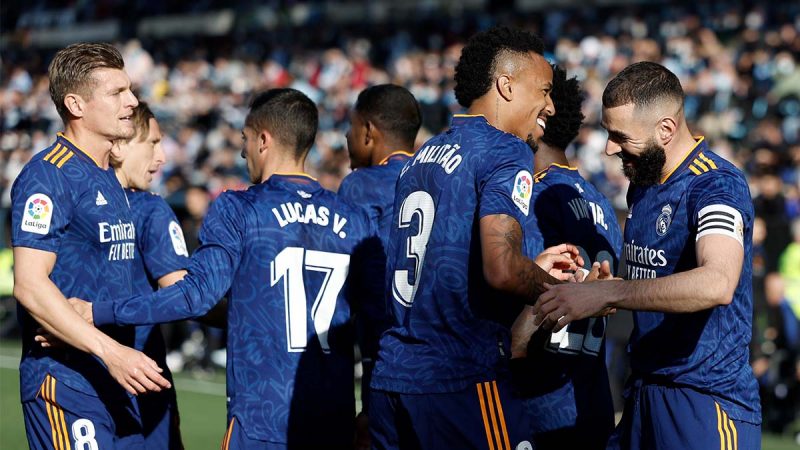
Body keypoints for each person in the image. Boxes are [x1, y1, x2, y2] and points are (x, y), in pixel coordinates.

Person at [71, 88, 381, 449]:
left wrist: (98, 312)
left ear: (263, 140)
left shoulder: (240, 208)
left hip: (263, 420)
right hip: (335, 421)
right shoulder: (356, 219)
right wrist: (371, 408)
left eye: (245, 139)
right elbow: (379, 320)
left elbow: (195, 295)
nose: (242, 151)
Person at [368, 26, 584, 449]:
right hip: (460, 379)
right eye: (544, 91)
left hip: (392, 379)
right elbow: (502, 269)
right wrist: (566, 294)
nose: (551, 106)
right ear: (506, 86)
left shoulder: (422, 156)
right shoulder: (507, 150)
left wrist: (529, 267)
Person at [532, 61, 762, 449]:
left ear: (666, 130)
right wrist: (601, 288)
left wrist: (612, 293)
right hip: (643, 392)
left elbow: (718, 282)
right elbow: (653, 281)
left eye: (620, 136)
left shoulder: (715, 185)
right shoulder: (643, 183)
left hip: (703, 401)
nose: (609, 148)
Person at [11, 42, 171, 449]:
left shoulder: (106, 177)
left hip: (116, 385)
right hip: (68, 382)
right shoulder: (48, 176)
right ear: (76, 105)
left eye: (130, 90)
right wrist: (112, 352)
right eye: (117, 93)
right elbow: (29, 284)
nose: (132, 102)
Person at [510, 65, 623, 450]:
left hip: (537, 404)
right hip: (590, 401)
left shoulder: (534, 197)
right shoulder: (600, 202)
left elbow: (525, 300)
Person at [338, 83, 422, 449]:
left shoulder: (360, 185)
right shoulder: (438, 177)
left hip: (387, 357)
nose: (346, 136)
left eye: (352, 126)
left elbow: (350, 282)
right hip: (442, 359)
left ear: (369, 131)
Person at [110, 102, 187, 449]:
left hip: (79, 376)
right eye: (153, 143)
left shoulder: (75, 200)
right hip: (142, 380)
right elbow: (182, 294)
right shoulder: (150, 208)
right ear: (120, 144)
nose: (162, 157)